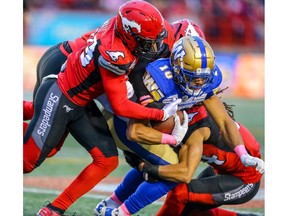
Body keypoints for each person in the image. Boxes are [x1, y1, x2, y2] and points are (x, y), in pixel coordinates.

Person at [24, 1, 181, 216]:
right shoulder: (114, 52)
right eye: (146, 41)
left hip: (79, 101)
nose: (152, 46)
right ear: (129, 34)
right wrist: (160, 113)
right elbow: (120, 106)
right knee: (27, 161)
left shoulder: (122, 30)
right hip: (61, 94)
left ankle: (54, 210)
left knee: (106, 160)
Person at [94, 35, 264, 216]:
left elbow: (184, 173)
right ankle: (114, 202)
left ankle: (121, 212)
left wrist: (146, 168)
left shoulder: (198, 130)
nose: (198, 84)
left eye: (202, 79)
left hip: (245, 179)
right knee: (191, 209)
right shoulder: (181, 98)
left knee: (180, 192)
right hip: (222, 167)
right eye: (193, 78)